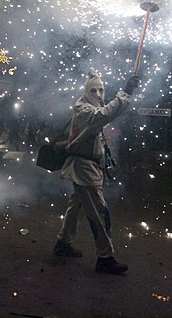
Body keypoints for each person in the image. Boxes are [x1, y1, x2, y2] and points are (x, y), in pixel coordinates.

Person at [53, 67, 139, 274]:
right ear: (86, 92)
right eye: (94, 91)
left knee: (77, 207)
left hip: (88, 166)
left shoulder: (87, 108)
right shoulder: (84, 110)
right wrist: (126, 92)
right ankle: (105, 257)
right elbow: (105, 114)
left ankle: (63, 243)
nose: (99, 95)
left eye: (101, 91)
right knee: (100, 212)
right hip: (83, 168)